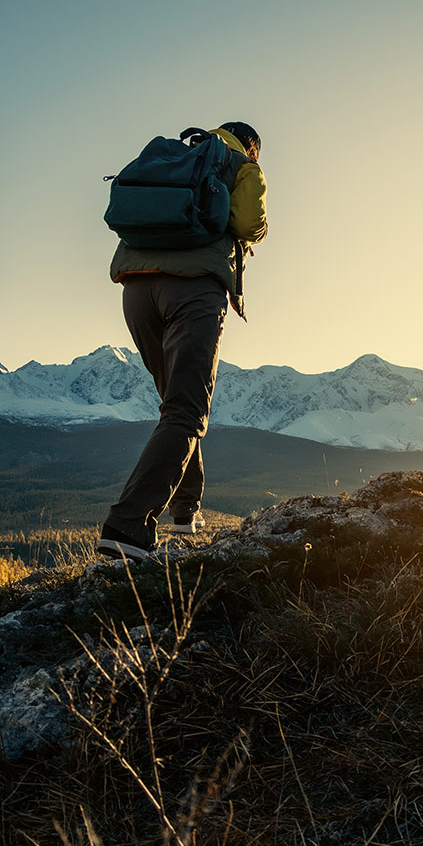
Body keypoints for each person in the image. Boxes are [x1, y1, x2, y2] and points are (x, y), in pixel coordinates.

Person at [97, 122, 267, 561]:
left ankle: (185, 509)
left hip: (135, 289)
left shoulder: (175, 154)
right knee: (187, 411)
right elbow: (250, 223)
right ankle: (128, 527)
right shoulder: (243, 166)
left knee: (175, 404)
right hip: (193, 288)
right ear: (252, 147)